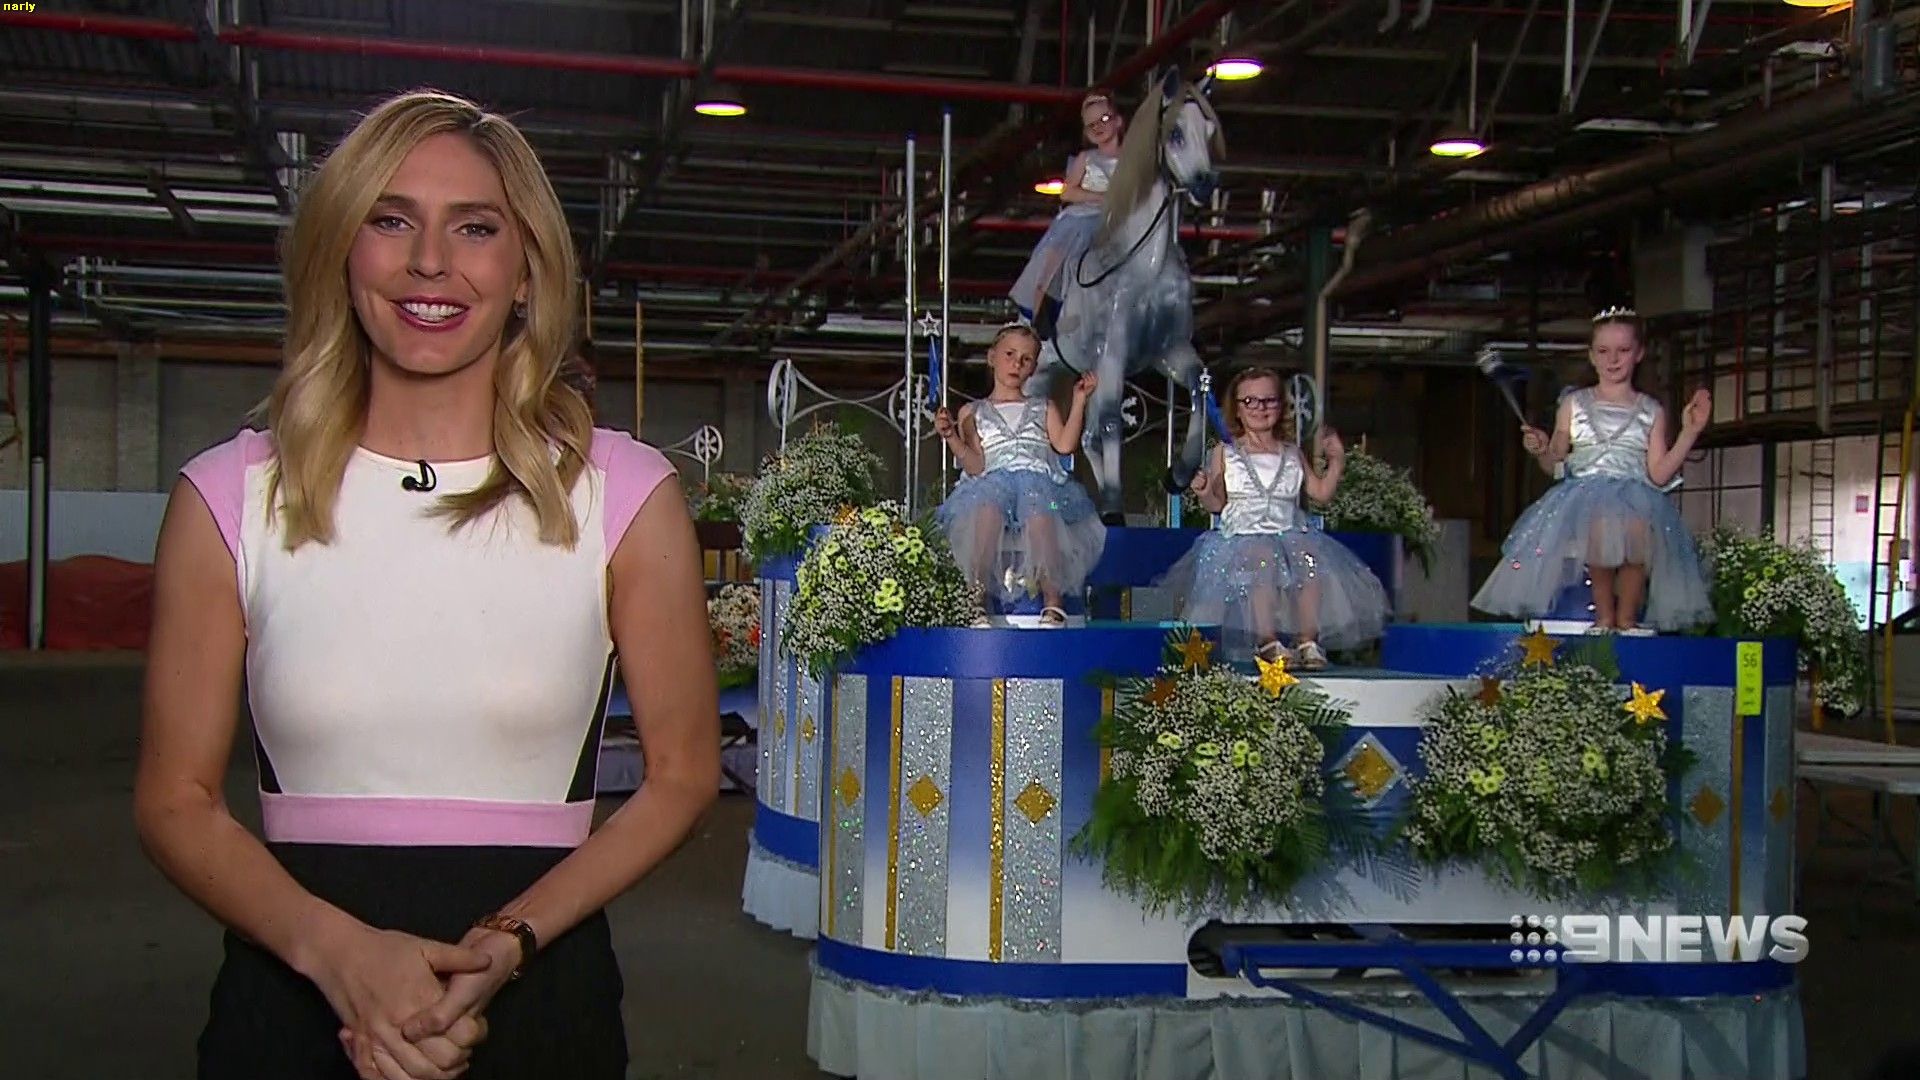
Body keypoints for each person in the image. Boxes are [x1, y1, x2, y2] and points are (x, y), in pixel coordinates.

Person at [132, 88, 720, 1080]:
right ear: (341, 252)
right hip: (290, 1008)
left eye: (475, 227)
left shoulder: (626, 496)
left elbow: (683, 775)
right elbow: (174, 801)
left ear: (526, 270)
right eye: (390, 220)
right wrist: (342, 957)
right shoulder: (227, 498)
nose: (431, 262)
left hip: (541, 1007)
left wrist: (512, 940)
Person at [1471, 307, 1714, 634]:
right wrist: (1541, 448)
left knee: (1637, 536)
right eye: (1603, 351)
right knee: (1599, 532)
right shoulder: (1574, 404)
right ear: (1591, 355)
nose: (1613, 359)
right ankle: (1604, 618)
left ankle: (1627, 618)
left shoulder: (1651, 410)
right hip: (1585, 493)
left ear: (1639, 353)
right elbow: (1555, 462)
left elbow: (1658, 474)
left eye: (1623, 350)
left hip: (1636, 495)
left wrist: (1689, 433)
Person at [1159, 367, 1390, 669]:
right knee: (1262, 558)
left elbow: (1320, 493)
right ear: (1237, 409)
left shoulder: (1292, 453)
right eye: (1250, 401)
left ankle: (1307, 640)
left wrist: (1336, 461)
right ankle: (1266, 639)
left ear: (1281, 406)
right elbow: (1217, 503)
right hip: (1241, 536)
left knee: (1309, 557)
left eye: (1269, 401)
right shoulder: (1225, 453)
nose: (1260, 408)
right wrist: (1203, 490)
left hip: (1289, 531)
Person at [933, 323, 1104, 626]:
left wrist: (1079, 401)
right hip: (991, 485)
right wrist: (951, 436)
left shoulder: (1043, 407)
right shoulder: (972, 412)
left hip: (1042, 488)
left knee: (1042, 510)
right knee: (987, 512)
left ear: (1033, 368)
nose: (1016, 364)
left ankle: (1053, 600)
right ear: (992, 357)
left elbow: (1065, 445)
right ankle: (975, 597)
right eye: (1009, 355)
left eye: (1026, 359)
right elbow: (975, 465)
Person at [1009, 91, 1125, 336]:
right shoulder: (1087, 158)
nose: (1098, 127)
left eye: (1104, 120)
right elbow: (1067, 192)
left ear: (1118, 121)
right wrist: (1102, 198)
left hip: (1118, 217)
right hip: (1084, 218)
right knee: (1057, 257)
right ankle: (1042, 313)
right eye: (1091, 125)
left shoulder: (1130, 159)